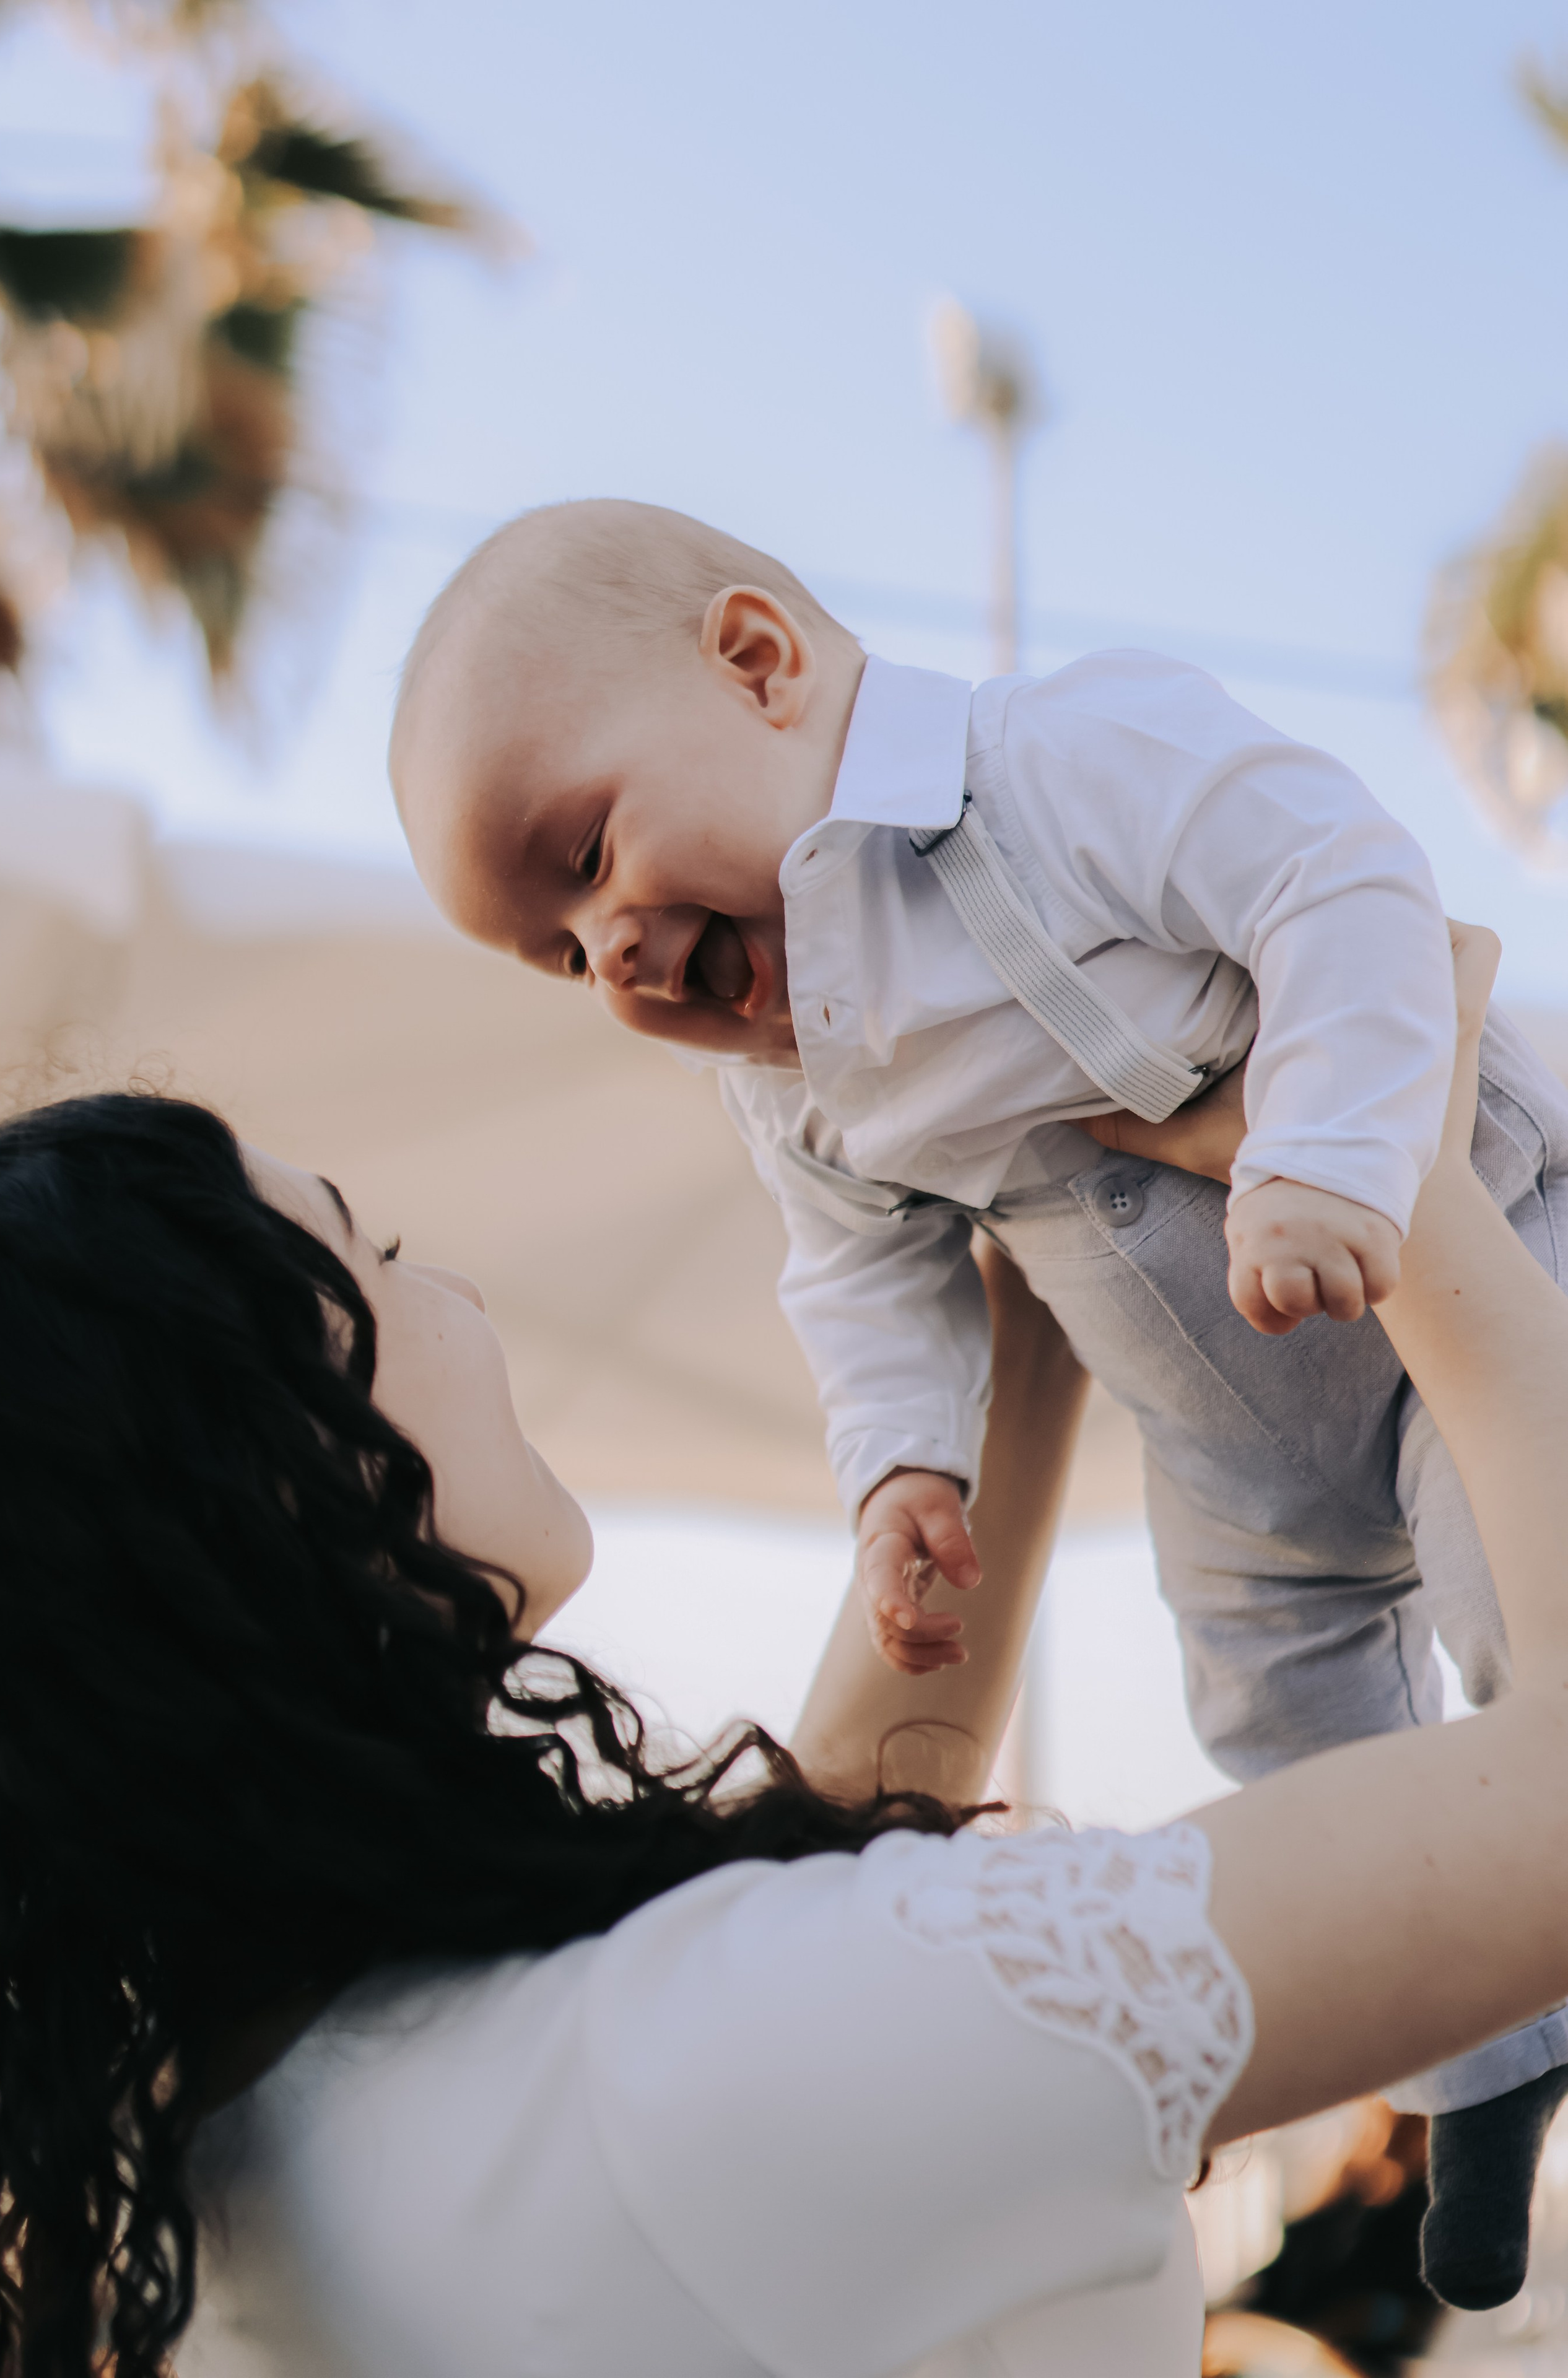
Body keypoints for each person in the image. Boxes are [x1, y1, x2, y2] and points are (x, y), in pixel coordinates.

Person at [0, 918, 1559, 2378]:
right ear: (266, 1468)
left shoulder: (220, 2129)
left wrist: (1020, 1297)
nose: (451, 1284)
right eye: (374, 1257)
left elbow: (832, 1844)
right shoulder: (703, 2072)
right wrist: (1404, 1165)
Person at [388, 496, 1568, 2306]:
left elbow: (1338, 879)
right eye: (557, 954)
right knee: (1273, 1709)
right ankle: (1475, 2079)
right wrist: (901, 1473)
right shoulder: (788, 1088)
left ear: (760, 665)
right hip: (1221, 1429)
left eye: (589, 853)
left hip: (1426, 1247)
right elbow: (865, 1281)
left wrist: (1331, 1152)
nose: (607, 955)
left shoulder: (1051, 768)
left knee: (1510, 1598)